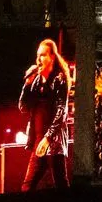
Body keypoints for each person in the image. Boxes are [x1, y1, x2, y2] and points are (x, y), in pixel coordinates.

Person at [18, 37, 75, 190]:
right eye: (38, 55)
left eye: (43, 55)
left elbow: (61, 111)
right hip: (38, 142)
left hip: (53, 142)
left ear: (52, 57)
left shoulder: (59, 80)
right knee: (27, 187)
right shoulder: (36, 81)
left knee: (61, 184)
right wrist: (27, 84)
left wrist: (48, 138)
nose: (39, 59)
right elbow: (23, 107)